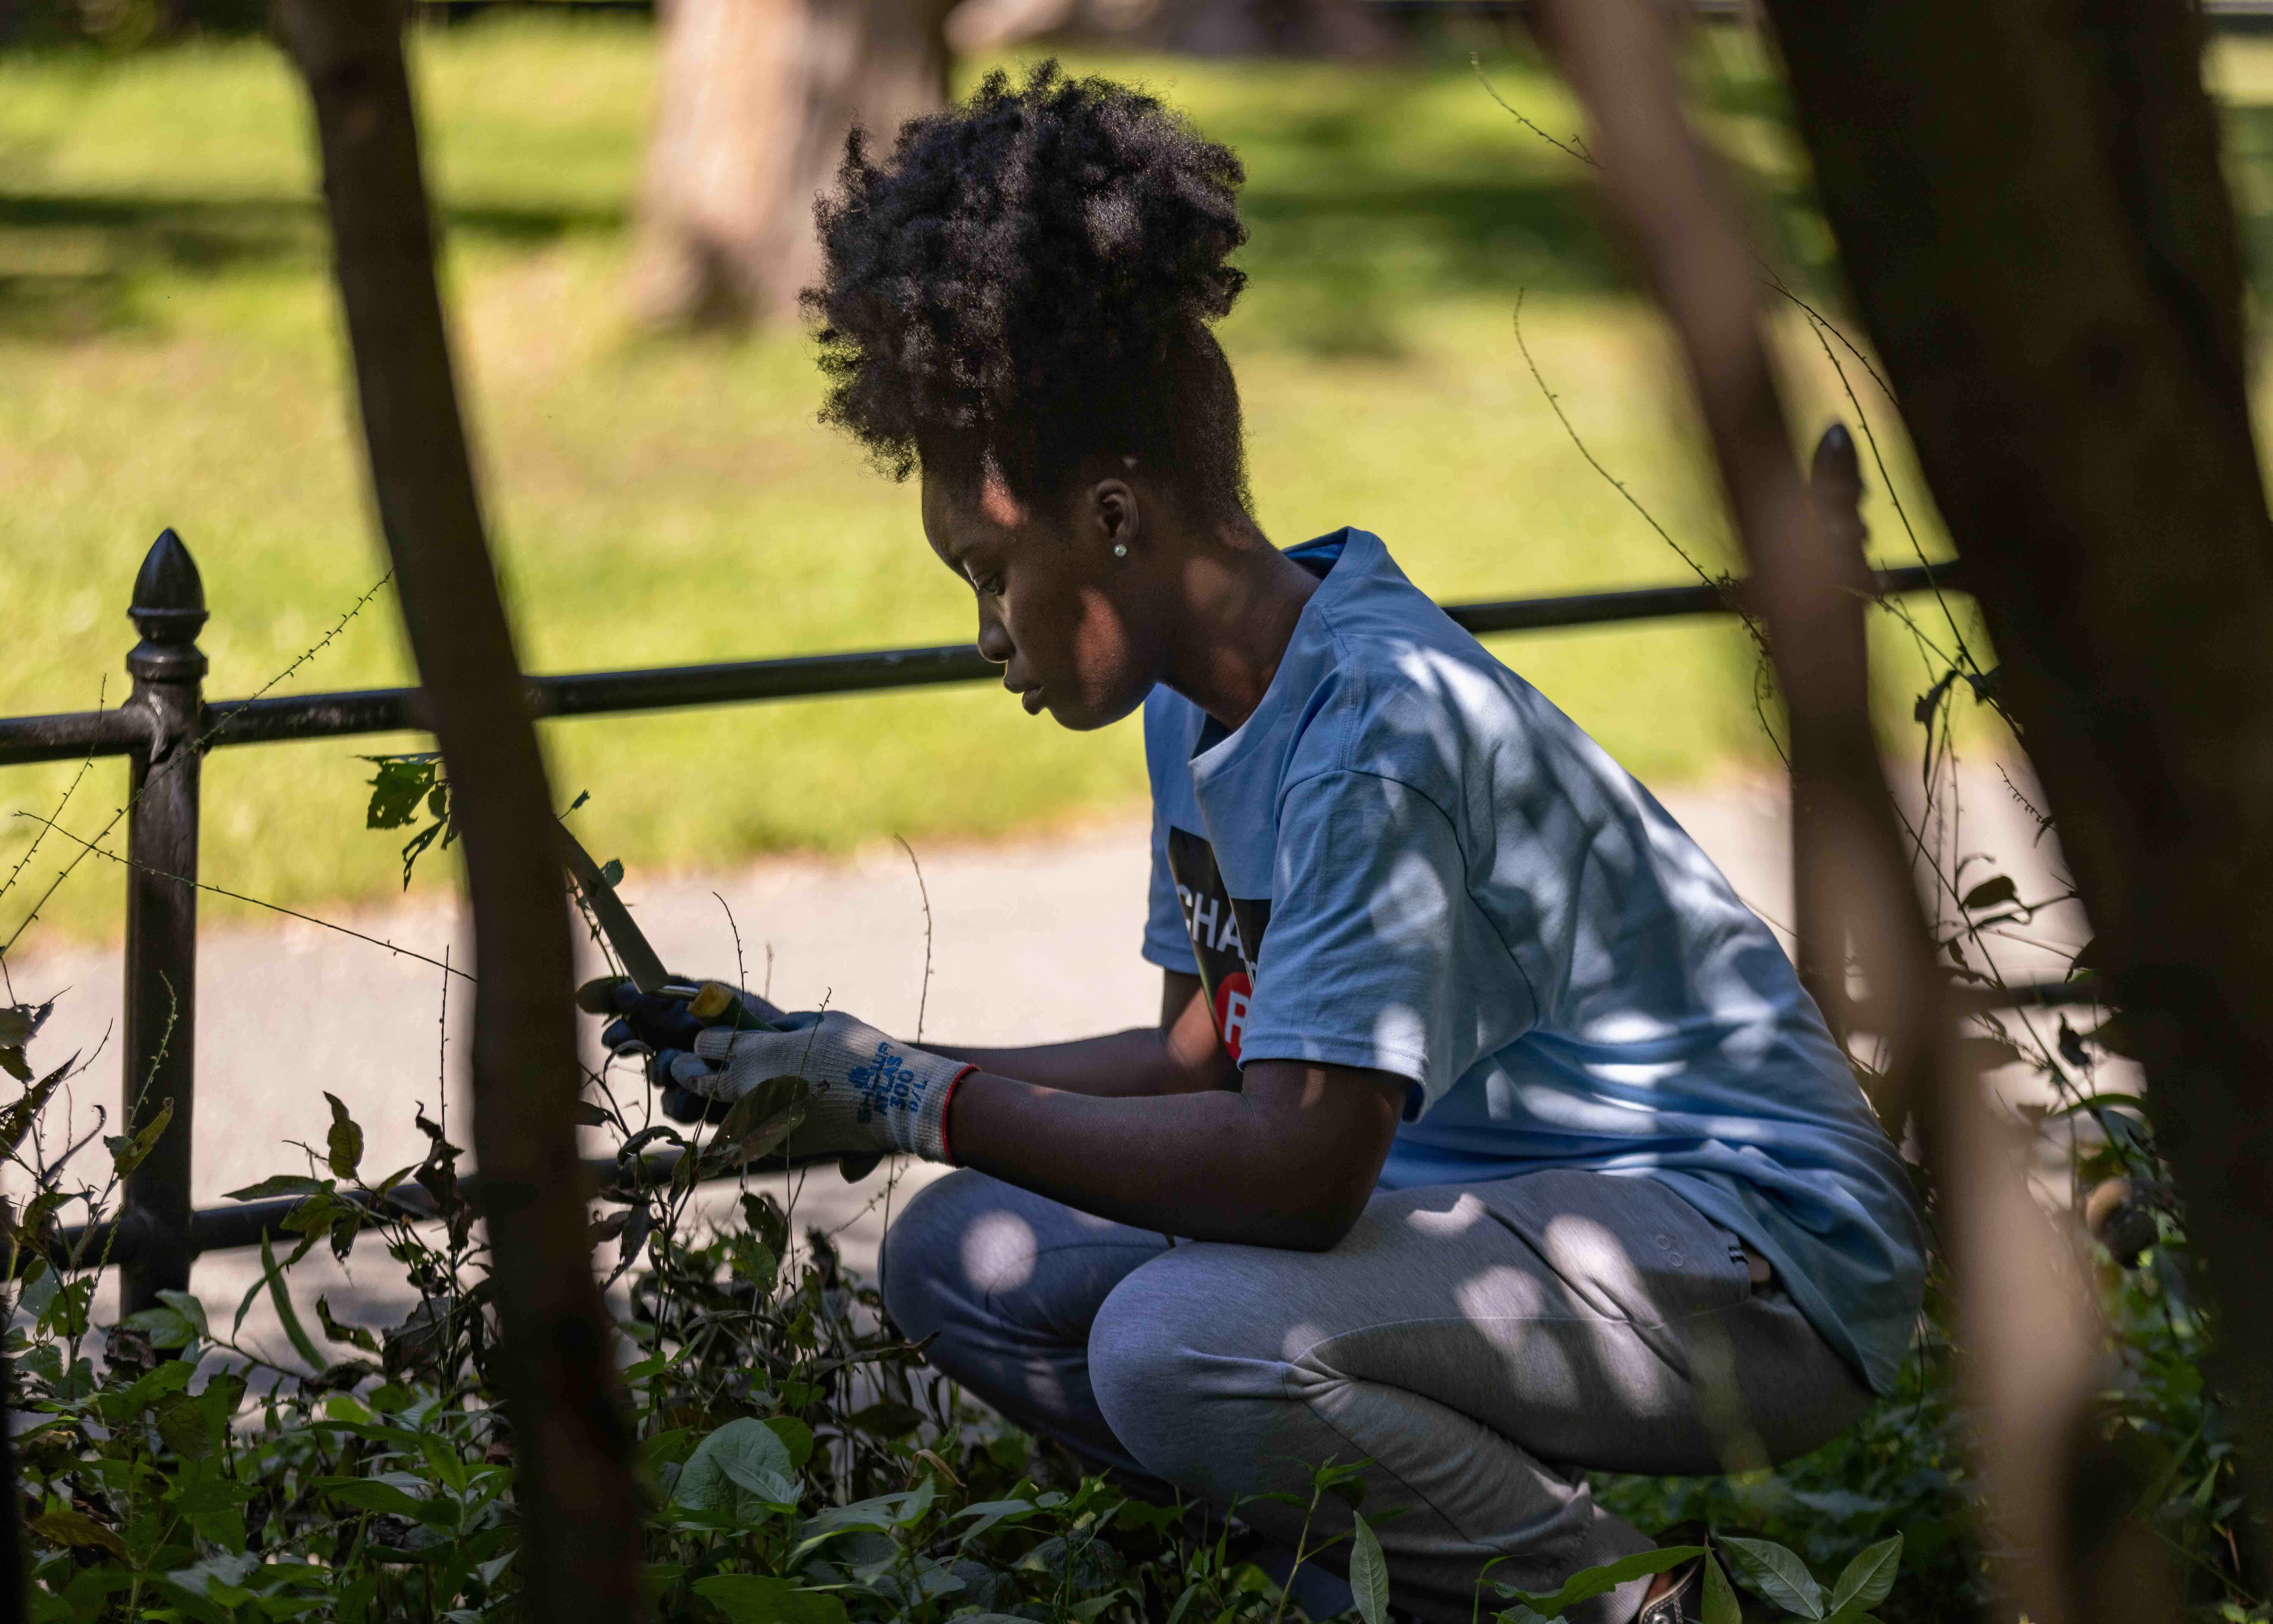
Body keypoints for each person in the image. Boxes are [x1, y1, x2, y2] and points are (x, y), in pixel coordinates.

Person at [592, 64, 1924, 1624]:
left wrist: (906, 1095)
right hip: (1558, 1223)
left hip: (1754, 1256)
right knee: (968, 1255)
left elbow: (1294, 1174)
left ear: (1110, 521)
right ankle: (1391, 1589)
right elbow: (1207, 1062)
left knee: (1180, 1335)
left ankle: (1647, 1614)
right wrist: (849, 1056)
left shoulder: (1378, 724)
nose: (982, 635)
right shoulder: (1200, 699)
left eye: (985, 573)